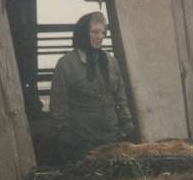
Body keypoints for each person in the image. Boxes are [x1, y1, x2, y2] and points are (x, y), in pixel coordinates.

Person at [50, 11, 134, 162]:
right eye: (95, 31)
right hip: (82, 142)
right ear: (83, 33)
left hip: (112, 137)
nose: (100, 36)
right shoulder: (66, 64)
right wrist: (64, 132)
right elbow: (58, 104)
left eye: (103, 32)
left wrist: (126, 122)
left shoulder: (111, 62)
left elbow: (121, 98)